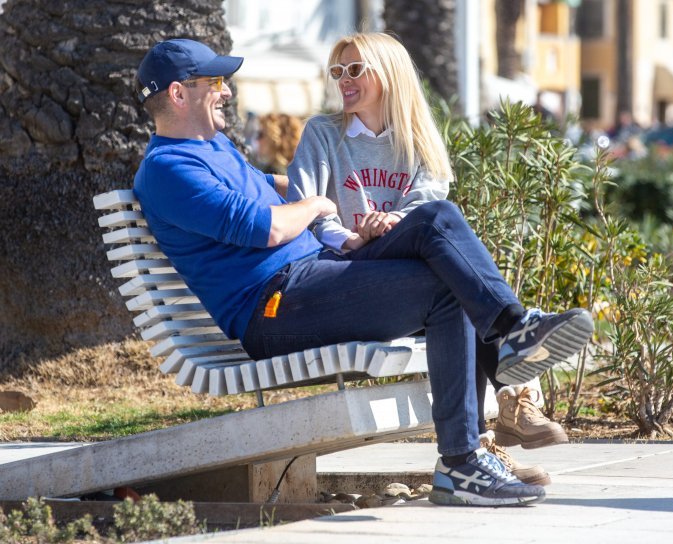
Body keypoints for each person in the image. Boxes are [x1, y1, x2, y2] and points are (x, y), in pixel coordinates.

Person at [132, 38, 594, 507]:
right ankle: (462, 460)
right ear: (177, 93)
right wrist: (318, 201)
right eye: (214, 82)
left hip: (315, 274)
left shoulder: (214, 147)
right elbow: (266, 227)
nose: (226, 91)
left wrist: (307, 180)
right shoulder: (168, 169)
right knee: (446, 288)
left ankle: (514, 329)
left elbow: (263, 185)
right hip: (273, 306)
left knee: (437, 219)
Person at [286, 32, 568, 486]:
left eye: (356, 69)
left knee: (454, 274)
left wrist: (391, 221)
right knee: (440, 223)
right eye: (338, 71)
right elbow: (309, 207)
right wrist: (352, 238)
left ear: (388, 73)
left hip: (406, 265)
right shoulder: (324, 133)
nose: (345, 80)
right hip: (352, 271)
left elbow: (423, 201)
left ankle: (478, 445)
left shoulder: (417, 137)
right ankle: (515, 347)